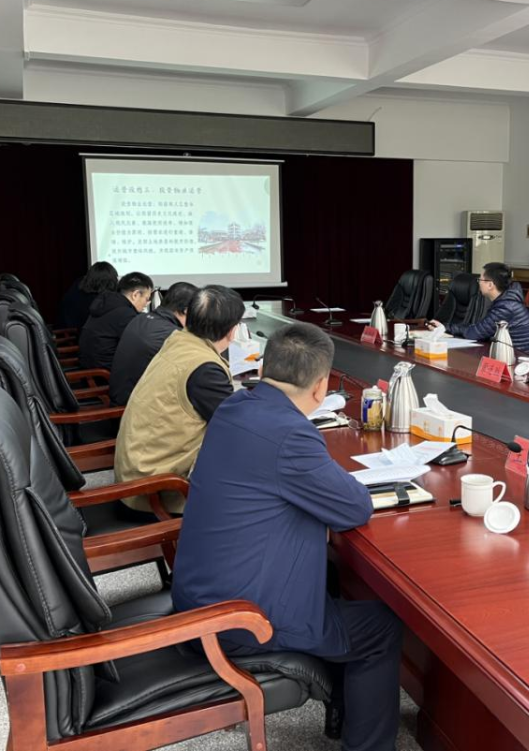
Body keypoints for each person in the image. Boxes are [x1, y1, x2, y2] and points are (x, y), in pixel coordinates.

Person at [172, 322, 402, 751]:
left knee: (331, 580)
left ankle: (341, 710)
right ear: (321, 388)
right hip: (239, 619)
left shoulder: (234, 407)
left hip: (199, 594)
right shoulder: (290, 434)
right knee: (380, 628)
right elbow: (355, 507)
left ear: (263, 370)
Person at [113, 285, 241, 514]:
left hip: (138, 472)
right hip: (157, 492)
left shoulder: (178, 341)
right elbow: (238, 428)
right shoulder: (205, 369)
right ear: (232, 331)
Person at [109, 281, 197, 406]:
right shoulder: (173, 336)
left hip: (122, 394)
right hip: (136, 406)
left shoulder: (140, 318)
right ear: (186, 311)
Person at [427, 261, 529, 352]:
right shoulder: (506, 301)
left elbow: (475, 333)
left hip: (514, 358)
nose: (479, 283)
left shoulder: (506, 307)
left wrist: (445, 327)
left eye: (480, 280)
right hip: (504, 352)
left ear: (490, 285)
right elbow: (480, 329)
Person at [78, 271, 153, 371]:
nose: (146, 304)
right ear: (135, 295)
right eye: (147, 299)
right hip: (106, 372)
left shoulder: (108, 305)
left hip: (90, 367)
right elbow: (140, 346)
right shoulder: (125, 314)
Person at [58, 261, 118, 330]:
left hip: (68, 331)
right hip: (77, 333)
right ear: (110, 283)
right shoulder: (97, 302)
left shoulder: (77, 286)